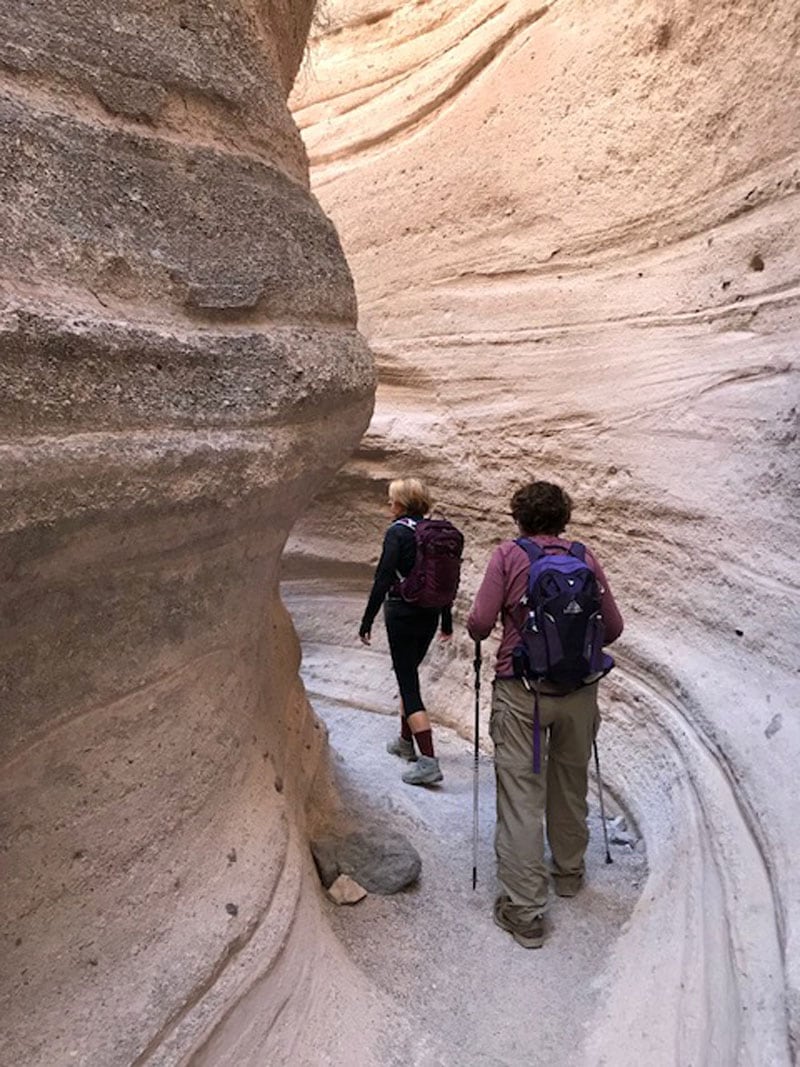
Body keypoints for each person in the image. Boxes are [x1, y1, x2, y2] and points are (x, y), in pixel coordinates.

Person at [467, 480, 623, 948]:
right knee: (570, 782)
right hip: (579, 692)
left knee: (521, 795)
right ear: (564, 517)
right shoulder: (584, 556)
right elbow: (613, 628)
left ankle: (526, 911)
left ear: (519, 517)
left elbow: (477, 622)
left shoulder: (507, 556)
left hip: (523, 692)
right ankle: (569, 874)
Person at [359, 478, 452, 786]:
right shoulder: (434, 534)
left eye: (391, 501)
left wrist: (367, 619)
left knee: (409, 685)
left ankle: (428, 761)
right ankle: (404, 742)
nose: (389, 506)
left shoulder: (398, 532)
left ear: (400, 505)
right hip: (430, 614)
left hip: (402, 612)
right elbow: (444, 581)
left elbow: (383, 576)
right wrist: (447, 622)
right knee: (407, 675)